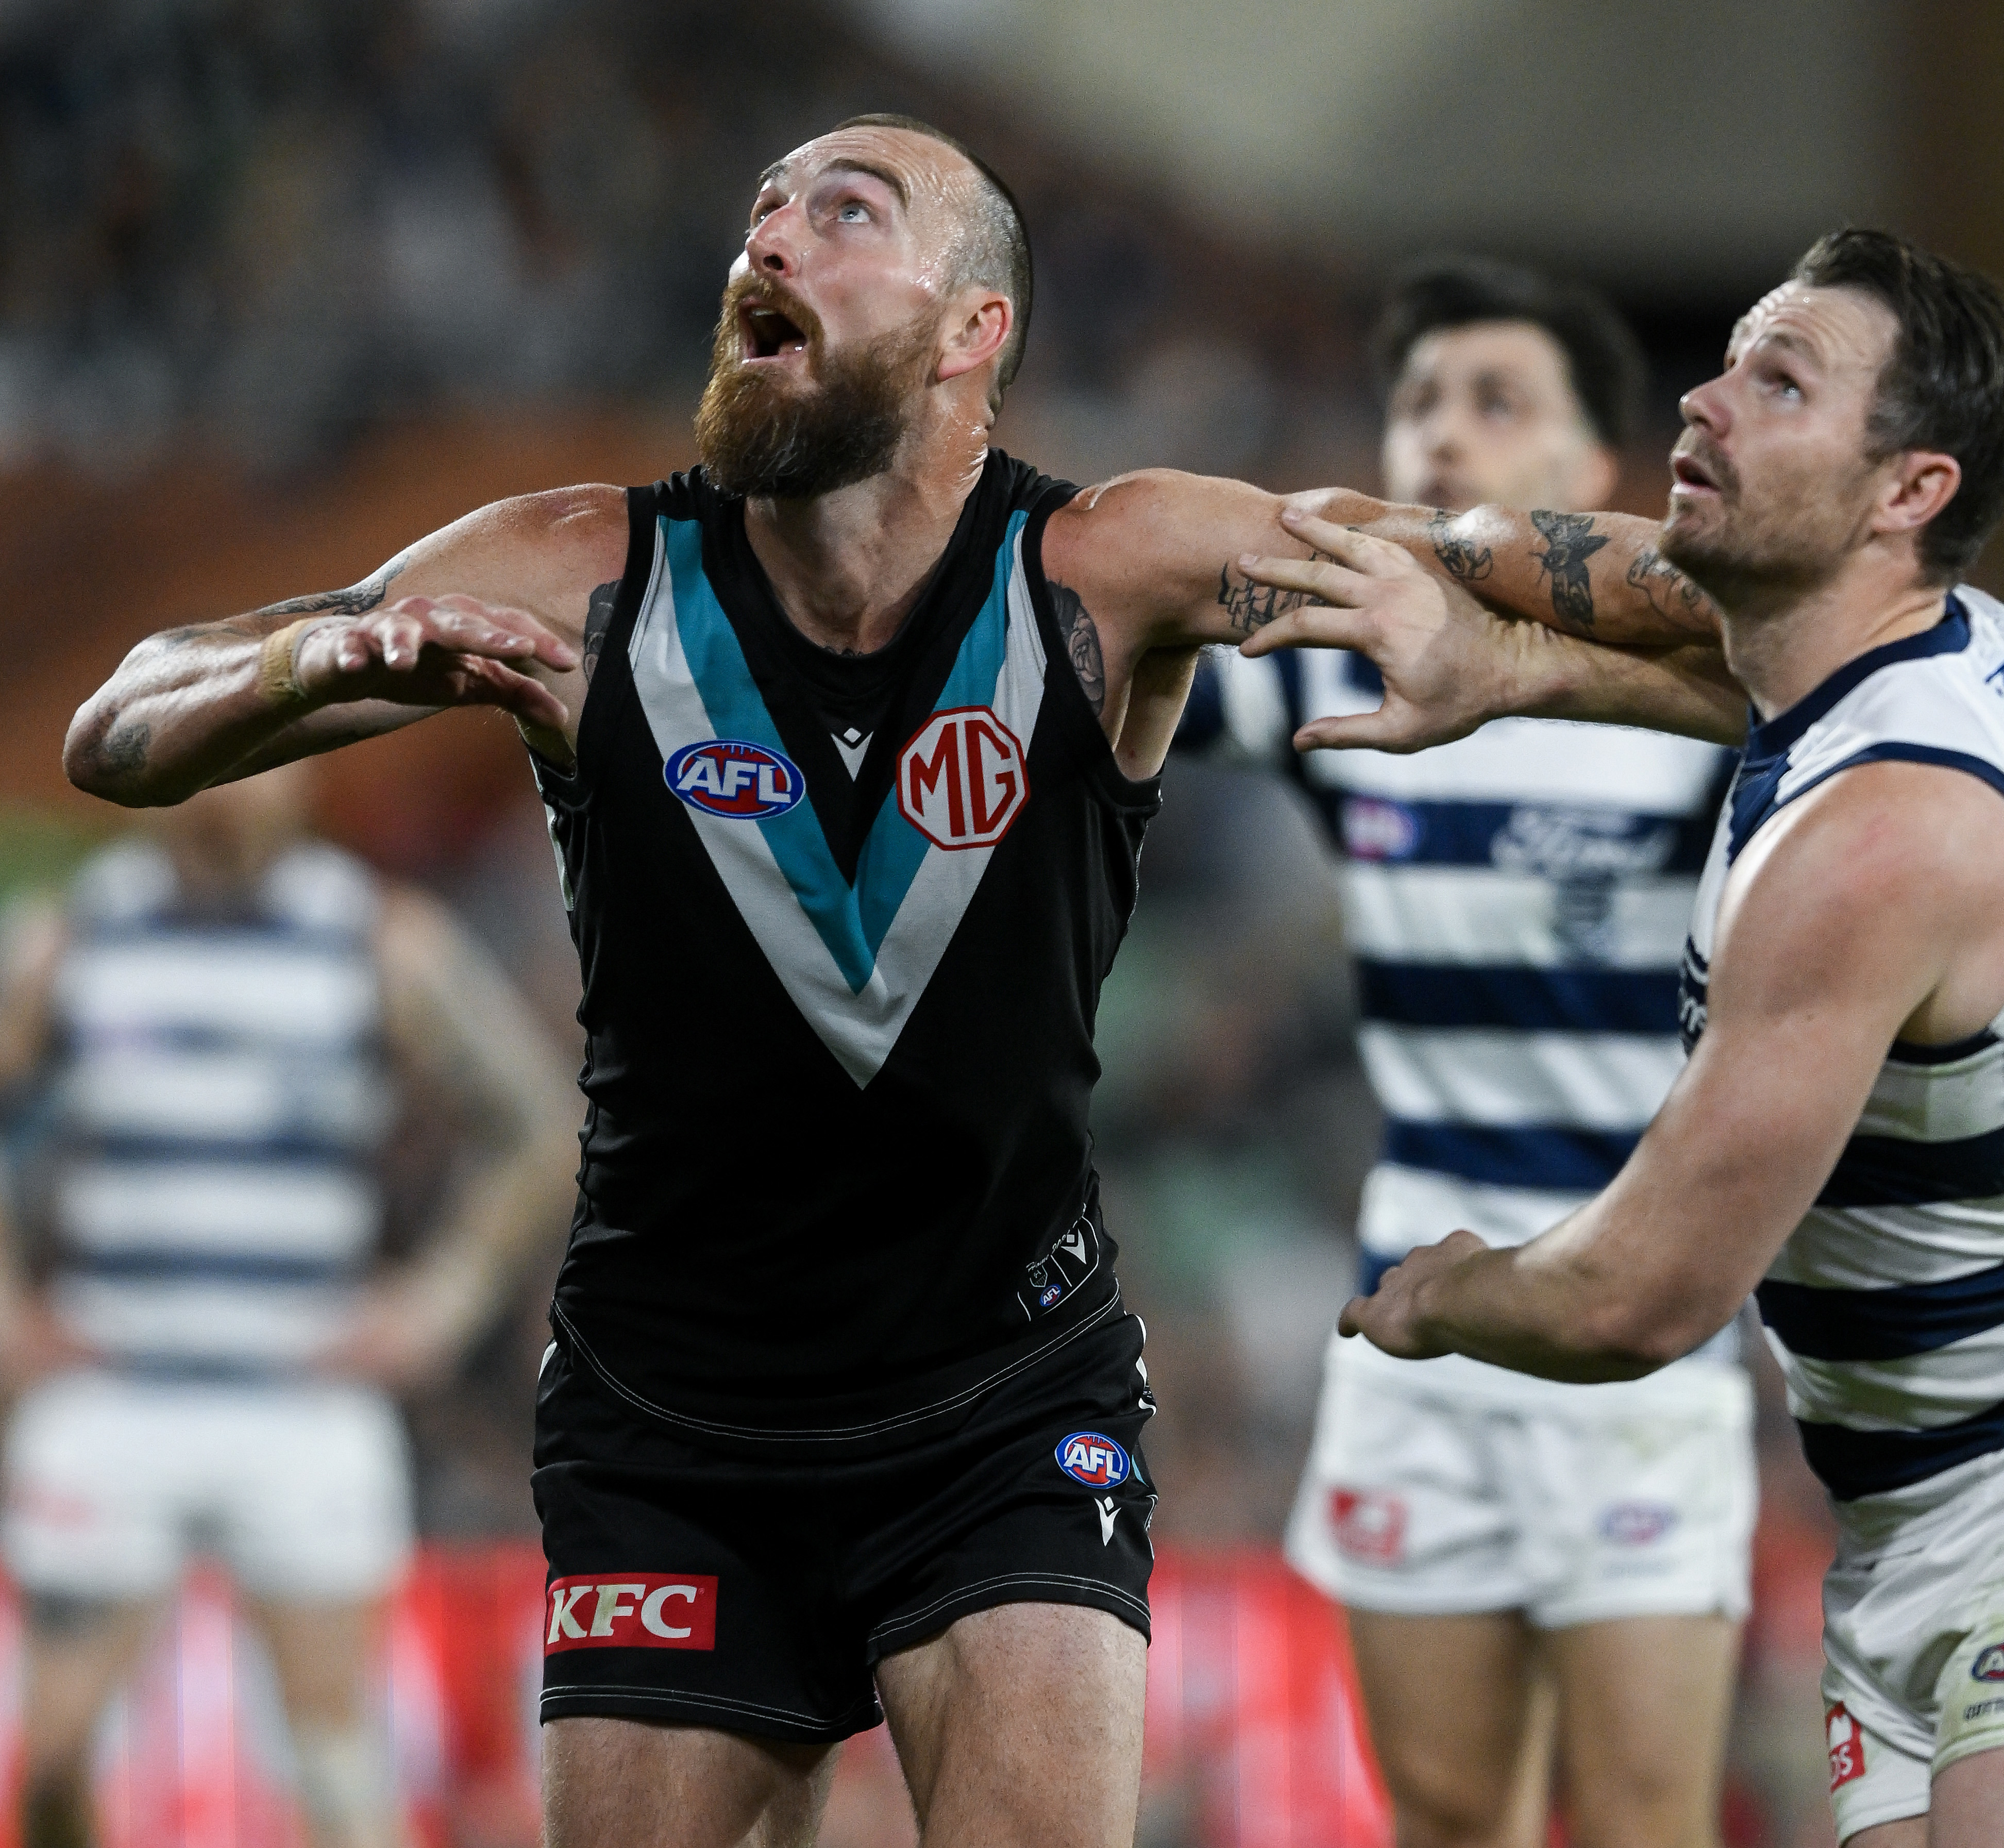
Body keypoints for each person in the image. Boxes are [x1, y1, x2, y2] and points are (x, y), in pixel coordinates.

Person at [60, 115, 1733, 1848]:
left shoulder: (1107, 566)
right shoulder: (579, 574)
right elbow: (117, 728)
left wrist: (1808, 643)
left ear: (970, 330)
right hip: (671, 1430)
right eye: (759, 208)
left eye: (839, 214)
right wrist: (293, 667)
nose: (766, 241)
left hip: (1000, 1408)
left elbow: (1473, 557)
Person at [1226, 228, 2004, 1848]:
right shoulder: (1931, 642)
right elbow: (1624, 600)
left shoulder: (1878, 846)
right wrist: (1480, 641)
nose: (1704, 396)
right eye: (1731, 357)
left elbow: (1635, 1297)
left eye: (1777, 381)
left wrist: (1442, 1291)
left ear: (1905, 490)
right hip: (1917, 1517)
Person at [1177, 256, 1754, 1848]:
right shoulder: (1335, 666)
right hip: (1414, 1320)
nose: (1438, 434)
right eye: (1416, 399)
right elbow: (1138, 644)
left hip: (1628, 1325)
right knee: (1441, 1815)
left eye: (1493, 402)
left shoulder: (1682, 703)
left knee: (1643, 1818)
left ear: (1587, 475)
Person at [0, 761, 578, 1848]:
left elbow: (532, 1124)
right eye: (204, 755)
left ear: (305, 773)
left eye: (255, 755)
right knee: (57, 1753)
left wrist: (438, 1304)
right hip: (114, 1388)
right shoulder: (72, 936)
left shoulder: (373, 939)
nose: (229, 784)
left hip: (299, 1395)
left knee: (338, 1764)